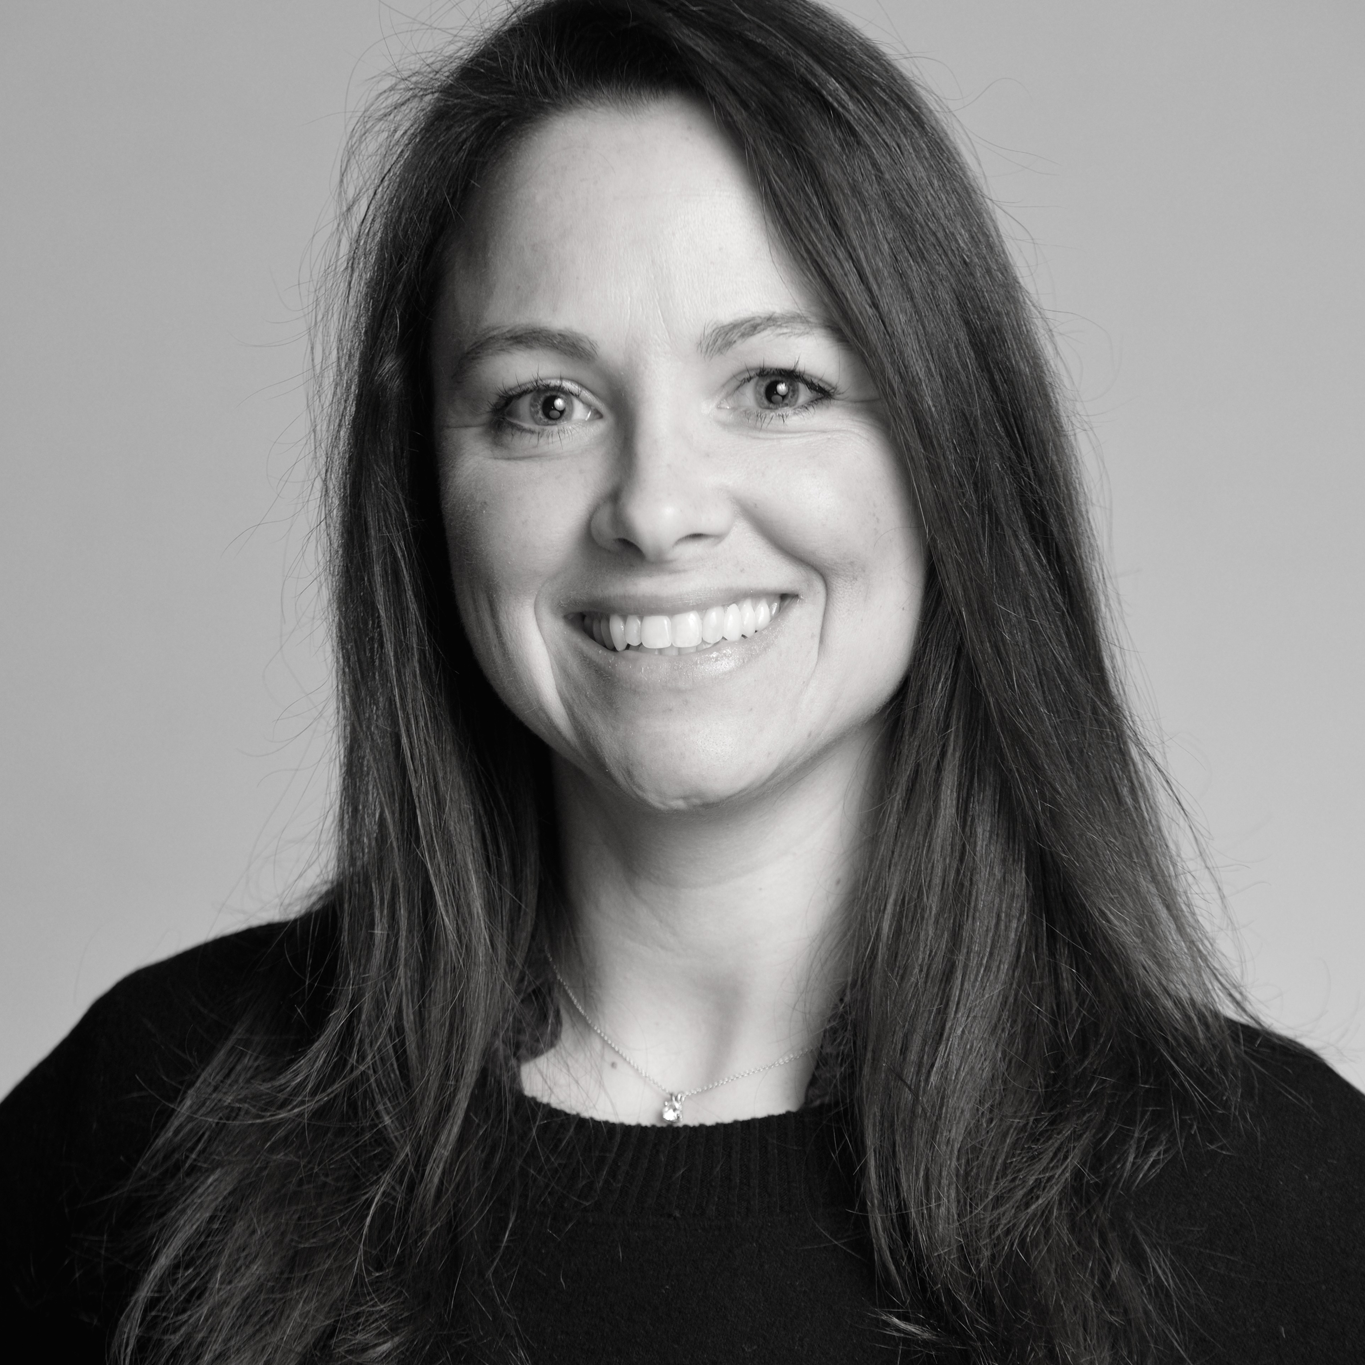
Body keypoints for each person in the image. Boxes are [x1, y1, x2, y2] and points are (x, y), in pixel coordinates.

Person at [3, 0, 1363, 1361]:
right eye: (546, 403)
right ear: (428, 481)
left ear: (953, 444)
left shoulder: (1284, 1212)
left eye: (775, 386)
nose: (656, 509)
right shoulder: (147, 1128)